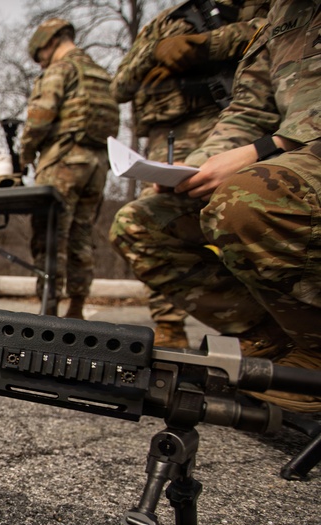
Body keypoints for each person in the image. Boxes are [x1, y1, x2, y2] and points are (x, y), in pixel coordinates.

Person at [115, 0, 320, 412]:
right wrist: (195, 168)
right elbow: (248, 110)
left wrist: (268, 148)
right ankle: (275, 341)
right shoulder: (282, 13)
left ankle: (316, 355)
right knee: (140, 221)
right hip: (282, 151)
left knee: (241, 201)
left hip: (300, 149)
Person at [108, 0, 266, 348]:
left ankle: (278, 327)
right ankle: (171, 326)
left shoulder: (248, 8)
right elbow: (120, 85)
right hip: (171, 134)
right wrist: (156, 52)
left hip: (235, 124)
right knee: (153, 217)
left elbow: (272, 32)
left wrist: (208, 47)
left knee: (236, 215)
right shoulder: (166, 22)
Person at [19, 19, 120, 319]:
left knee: (51, 234)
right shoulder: (101, 74)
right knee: (81, 234)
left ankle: (48, 309)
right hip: (98, 164)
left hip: (63, 161)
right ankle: (76, 307)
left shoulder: (61, 70)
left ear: (49, 42)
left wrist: (25, 153)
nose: (41, 64)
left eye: (40, 56)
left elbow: (40, 116)